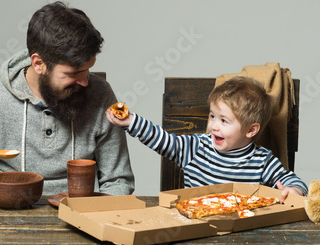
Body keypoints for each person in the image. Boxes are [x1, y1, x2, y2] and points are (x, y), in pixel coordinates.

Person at [0, 2, 135, 196]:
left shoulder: (100, 94)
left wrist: (100, 221)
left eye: (88, 69)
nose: (85, 81)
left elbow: (118, 181)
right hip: (11, 218)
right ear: (39, 64)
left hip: (80, 219)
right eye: (74, 73)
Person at [106, 76, 307, 201]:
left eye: (224, 121)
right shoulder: (197, 147)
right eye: (212, 116)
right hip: (195, 224)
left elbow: (290, 179)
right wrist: (132, 121)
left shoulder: (262, 160)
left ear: (251, 130)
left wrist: (294, 190)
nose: (213, 126)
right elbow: (164, 140)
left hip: (241, 233)